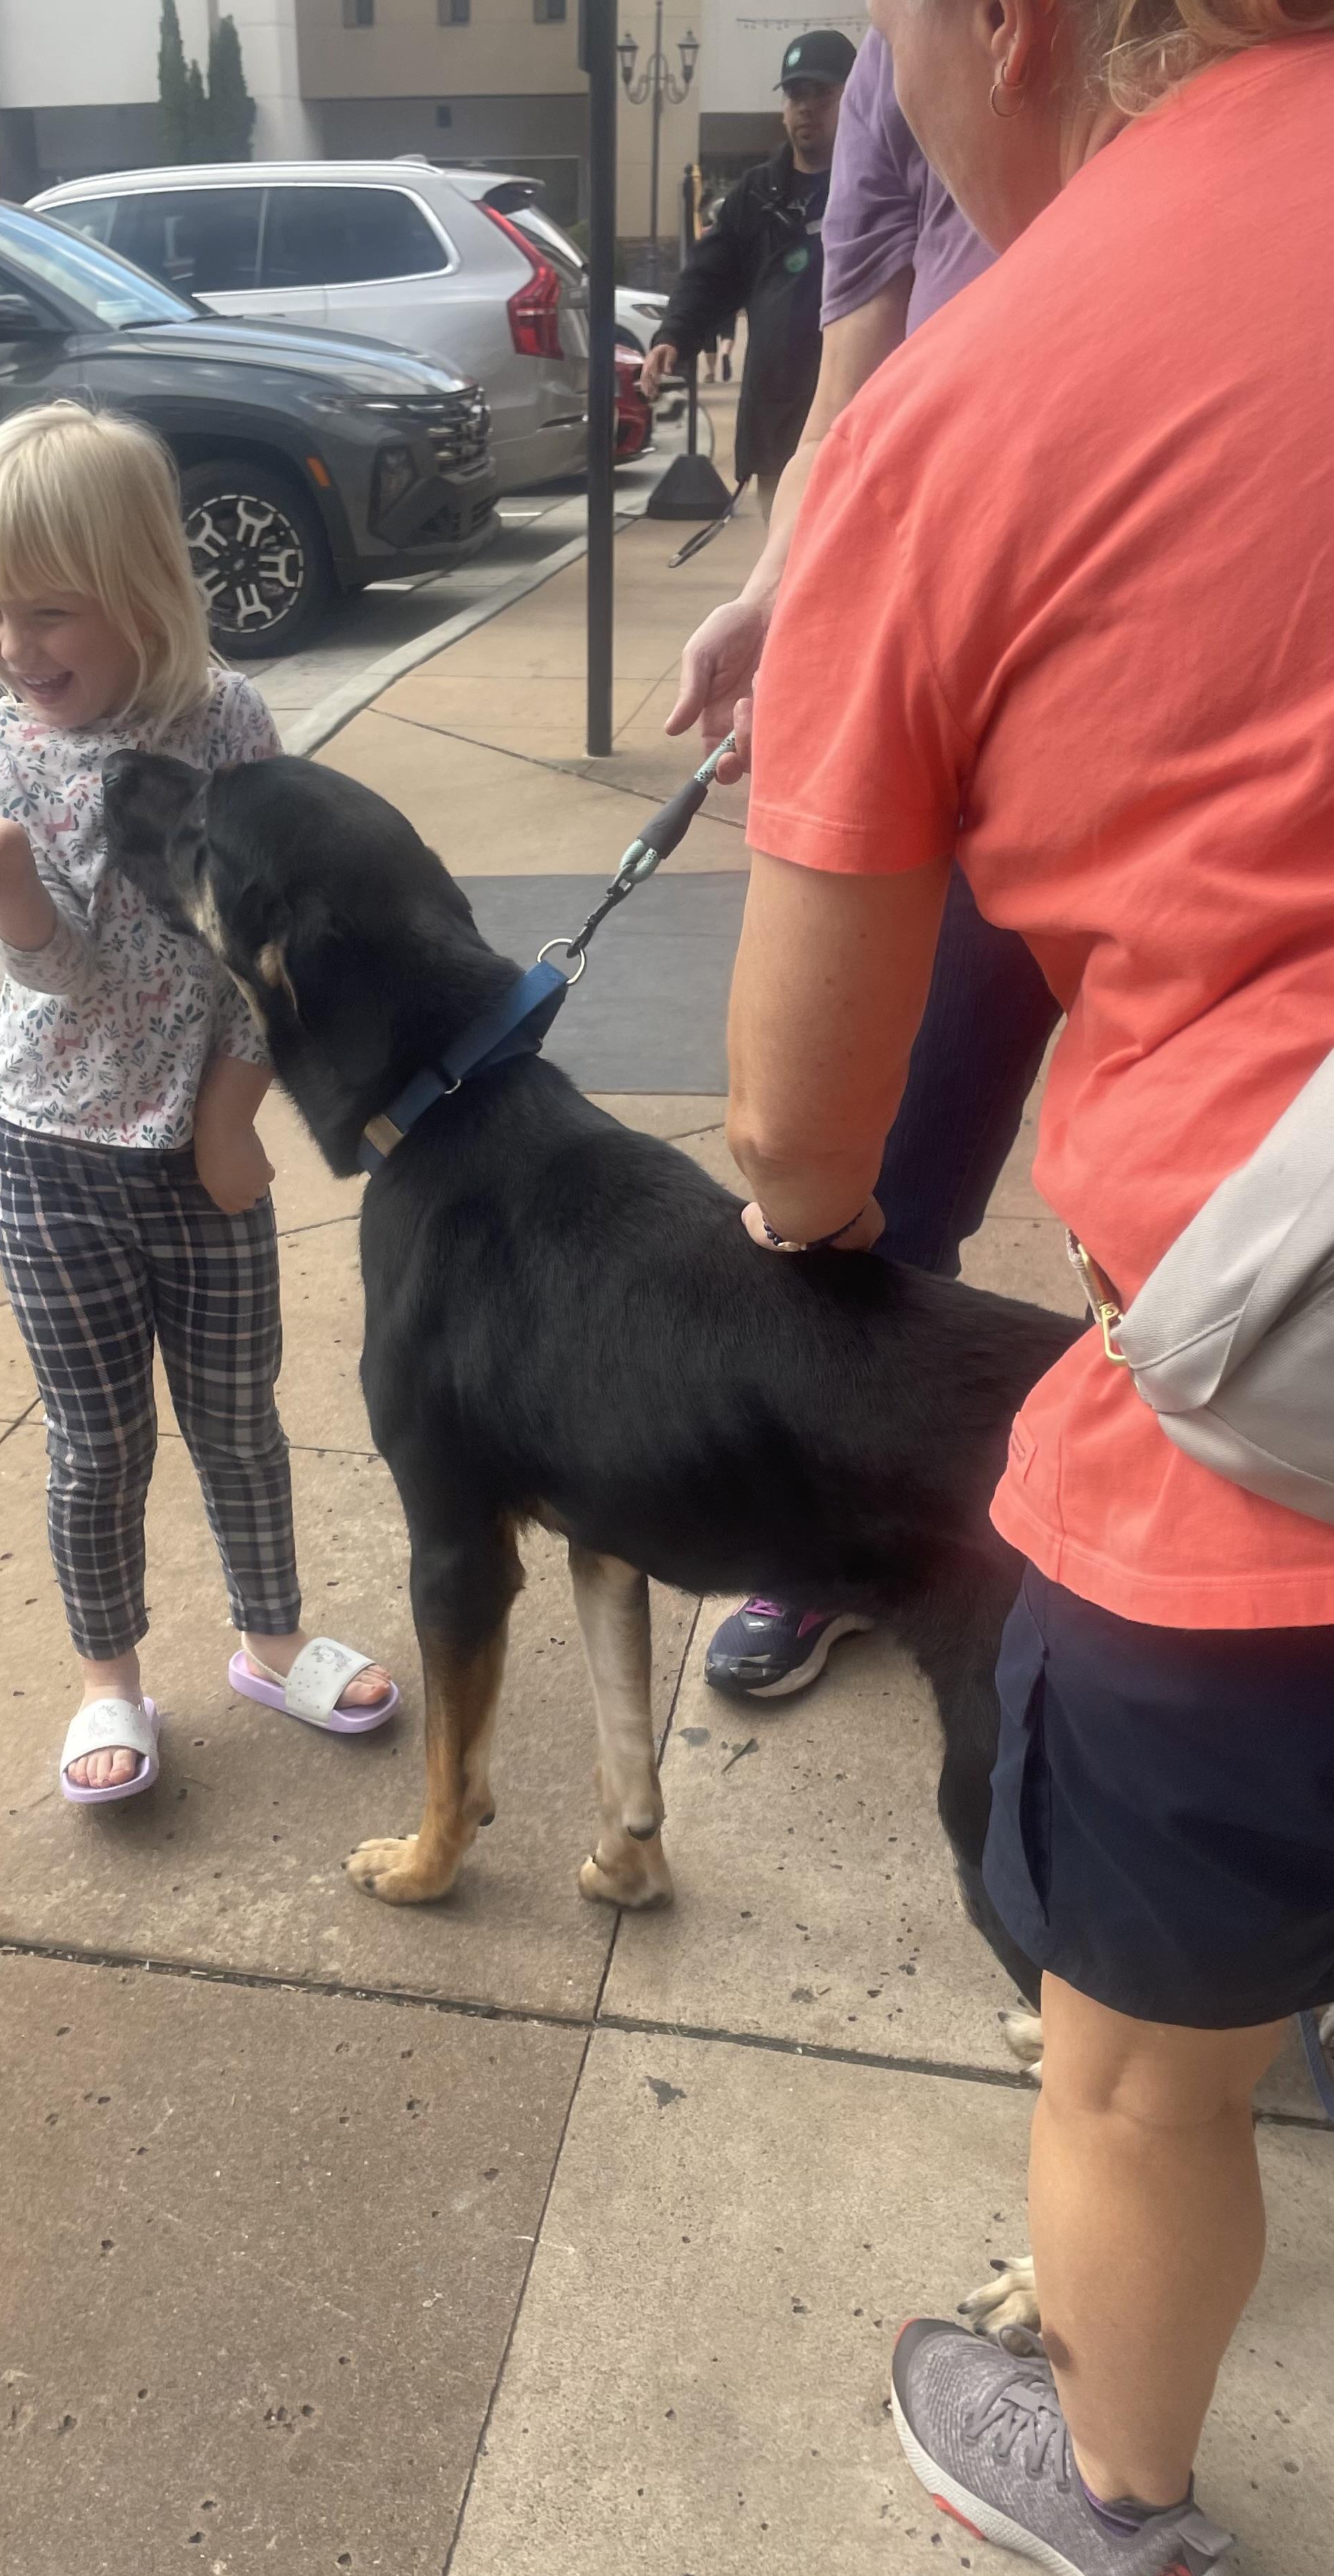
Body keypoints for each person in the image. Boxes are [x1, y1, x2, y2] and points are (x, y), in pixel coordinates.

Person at [729, 0, 1334, 2576]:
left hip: (1264, 1472)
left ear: (1005, 21)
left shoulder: (972, 404)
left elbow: (800, 1126)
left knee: (1138, 2077)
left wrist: (827, 1206)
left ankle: (1132, 2514)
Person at [0, 403, 398, 1803]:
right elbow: (63, 978)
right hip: (51, 1154)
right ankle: (108, 1679)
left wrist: (230, 1114)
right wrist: (12, 895)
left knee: (239, 1416)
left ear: (142, 590)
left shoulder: (225, 723)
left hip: (203, 1149)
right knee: (96, 1441)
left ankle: (269, 1637)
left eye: (51, 610)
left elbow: (265, 945)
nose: (14, 645)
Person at [673, 25, 1060, 1708]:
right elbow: (851, 388)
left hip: (1150, 639)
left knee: (1208, 1190)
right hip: (951, 665)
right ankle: (848, 1538)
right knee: (876, 1187)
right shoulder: (905, 73)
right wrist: (777, 600)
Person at [639, 30, 857, 517]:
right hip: (777, 421)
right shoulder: (756, 194)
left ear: (857, 96)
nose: (807, 107)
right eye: (795, 95)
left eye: (822, 93)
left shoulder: (877, 185)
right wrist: (674, 336)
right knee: (784, 557)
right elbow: (709, 276)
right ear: (783, 109)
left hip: (860, 418)